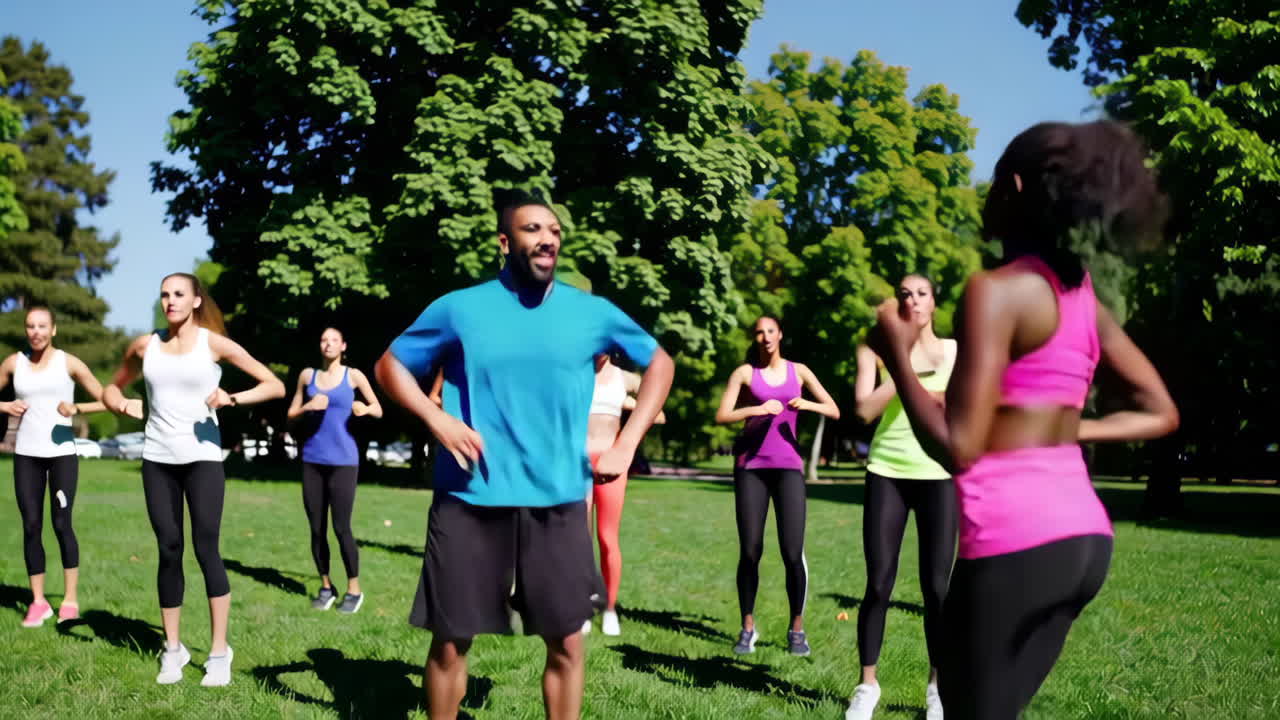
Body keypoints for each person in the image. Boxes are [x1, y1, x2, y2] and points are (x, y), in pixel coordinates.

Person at [866, 120, 1178, 719]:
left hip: (1014, 540)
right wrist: (1059, 428)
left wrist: (897, 354)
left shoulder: (996, 290)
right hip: (1084, 543)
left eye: (990, 186)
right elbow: (1161, 411)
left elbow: (957, 447)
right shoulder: (1081, 294)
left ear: (1012, 188)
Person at [374, 193, 674, 720]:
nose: (547, 238)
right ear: (504, 242)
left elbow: (660, 363)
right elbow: (389, 366)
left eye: (554, 230)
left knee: (568, 642)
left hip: (557, 501)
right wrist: (436, 418)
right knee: (450, 641)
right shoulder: (460, 307)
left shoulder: (590, 312)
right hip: (470, 496)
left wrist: (627, 443)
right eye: (533, 229)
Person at [103, 273, 285, 687]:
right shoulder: (145, 346)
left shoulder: (213, 344)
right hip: (157, 459)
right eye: (164, 294)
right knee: (169, 549)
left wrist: (231, 397)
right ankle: (173, 649)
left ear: (196, 300)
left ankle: (219, 652)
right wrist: (122, 403)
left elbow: (273, 385)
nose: (170, 301)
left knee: (206, 550)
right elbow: (111, 387)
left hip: (202, 460)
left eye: (179, 294)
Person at [846, 275, 956, 720]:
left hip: (938, 473)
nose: (913, 300)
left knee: (937, 588)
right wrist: (902, 363)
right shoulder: (873, 349)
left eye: (922, 293)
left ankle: (937, 689)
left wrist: (909, 377)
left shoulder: (954, 351)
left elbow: (958, 404)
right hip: (886, 471)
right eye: (905, 294)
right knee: (878, 583)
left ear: (934, 303)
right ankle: (867, 686)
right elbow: (864, 409)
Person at [714, 315, 840, 657]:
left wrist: (806, 403)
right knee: (750, 551)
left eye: (770, 330)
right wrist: (757, 409)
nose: (765, 336)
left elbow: (833, 409)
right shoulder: (744, 373)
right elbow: (722, 415)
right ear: (754, 338)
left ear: (780, 334)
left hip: (788, 469)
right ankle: (748, 627)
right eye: (759, 332)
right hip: (750, 468)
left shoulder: (799, 371)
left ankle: (796, 629)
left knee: (792, 552)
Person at [1, 306, 107, 628]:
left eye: (42, 326)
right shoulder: (13, 363)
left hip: (61, 454)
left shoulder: (68, 363)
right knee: (31, 526)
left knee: (62, 524)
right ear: (26, 330)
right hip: (27, 455)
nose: (36, 332)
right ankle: (38, 602)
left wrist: (77, 407)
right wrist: (5, 405)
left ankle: (70, 600)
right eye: (30, 326)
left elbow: (106, 398)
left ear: (53, 330)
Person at [286, 327, 383, 614]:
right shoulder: (307, 376)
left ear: (343, 346)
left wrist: (364, 409)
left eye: (334, 340)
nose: (328, 344)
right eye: (323, 340)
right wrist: (308, 406)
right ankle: (326, 587)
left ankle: (354, 590)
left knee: (341, 527)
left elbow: (378, 408)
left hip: (344, 461)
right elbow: (291, 414)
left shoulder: (353, 376)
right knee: (317, 529)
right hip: (312, 460)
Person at [581, 352, 665, 637]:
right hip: (578, 463)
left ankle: (609, 609)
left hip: (612, 462)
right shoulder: (574, 373)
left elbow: (657, 411)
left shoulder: (626, 379)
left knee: (607, 538)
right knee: (580, 538)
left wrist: (631, 411)